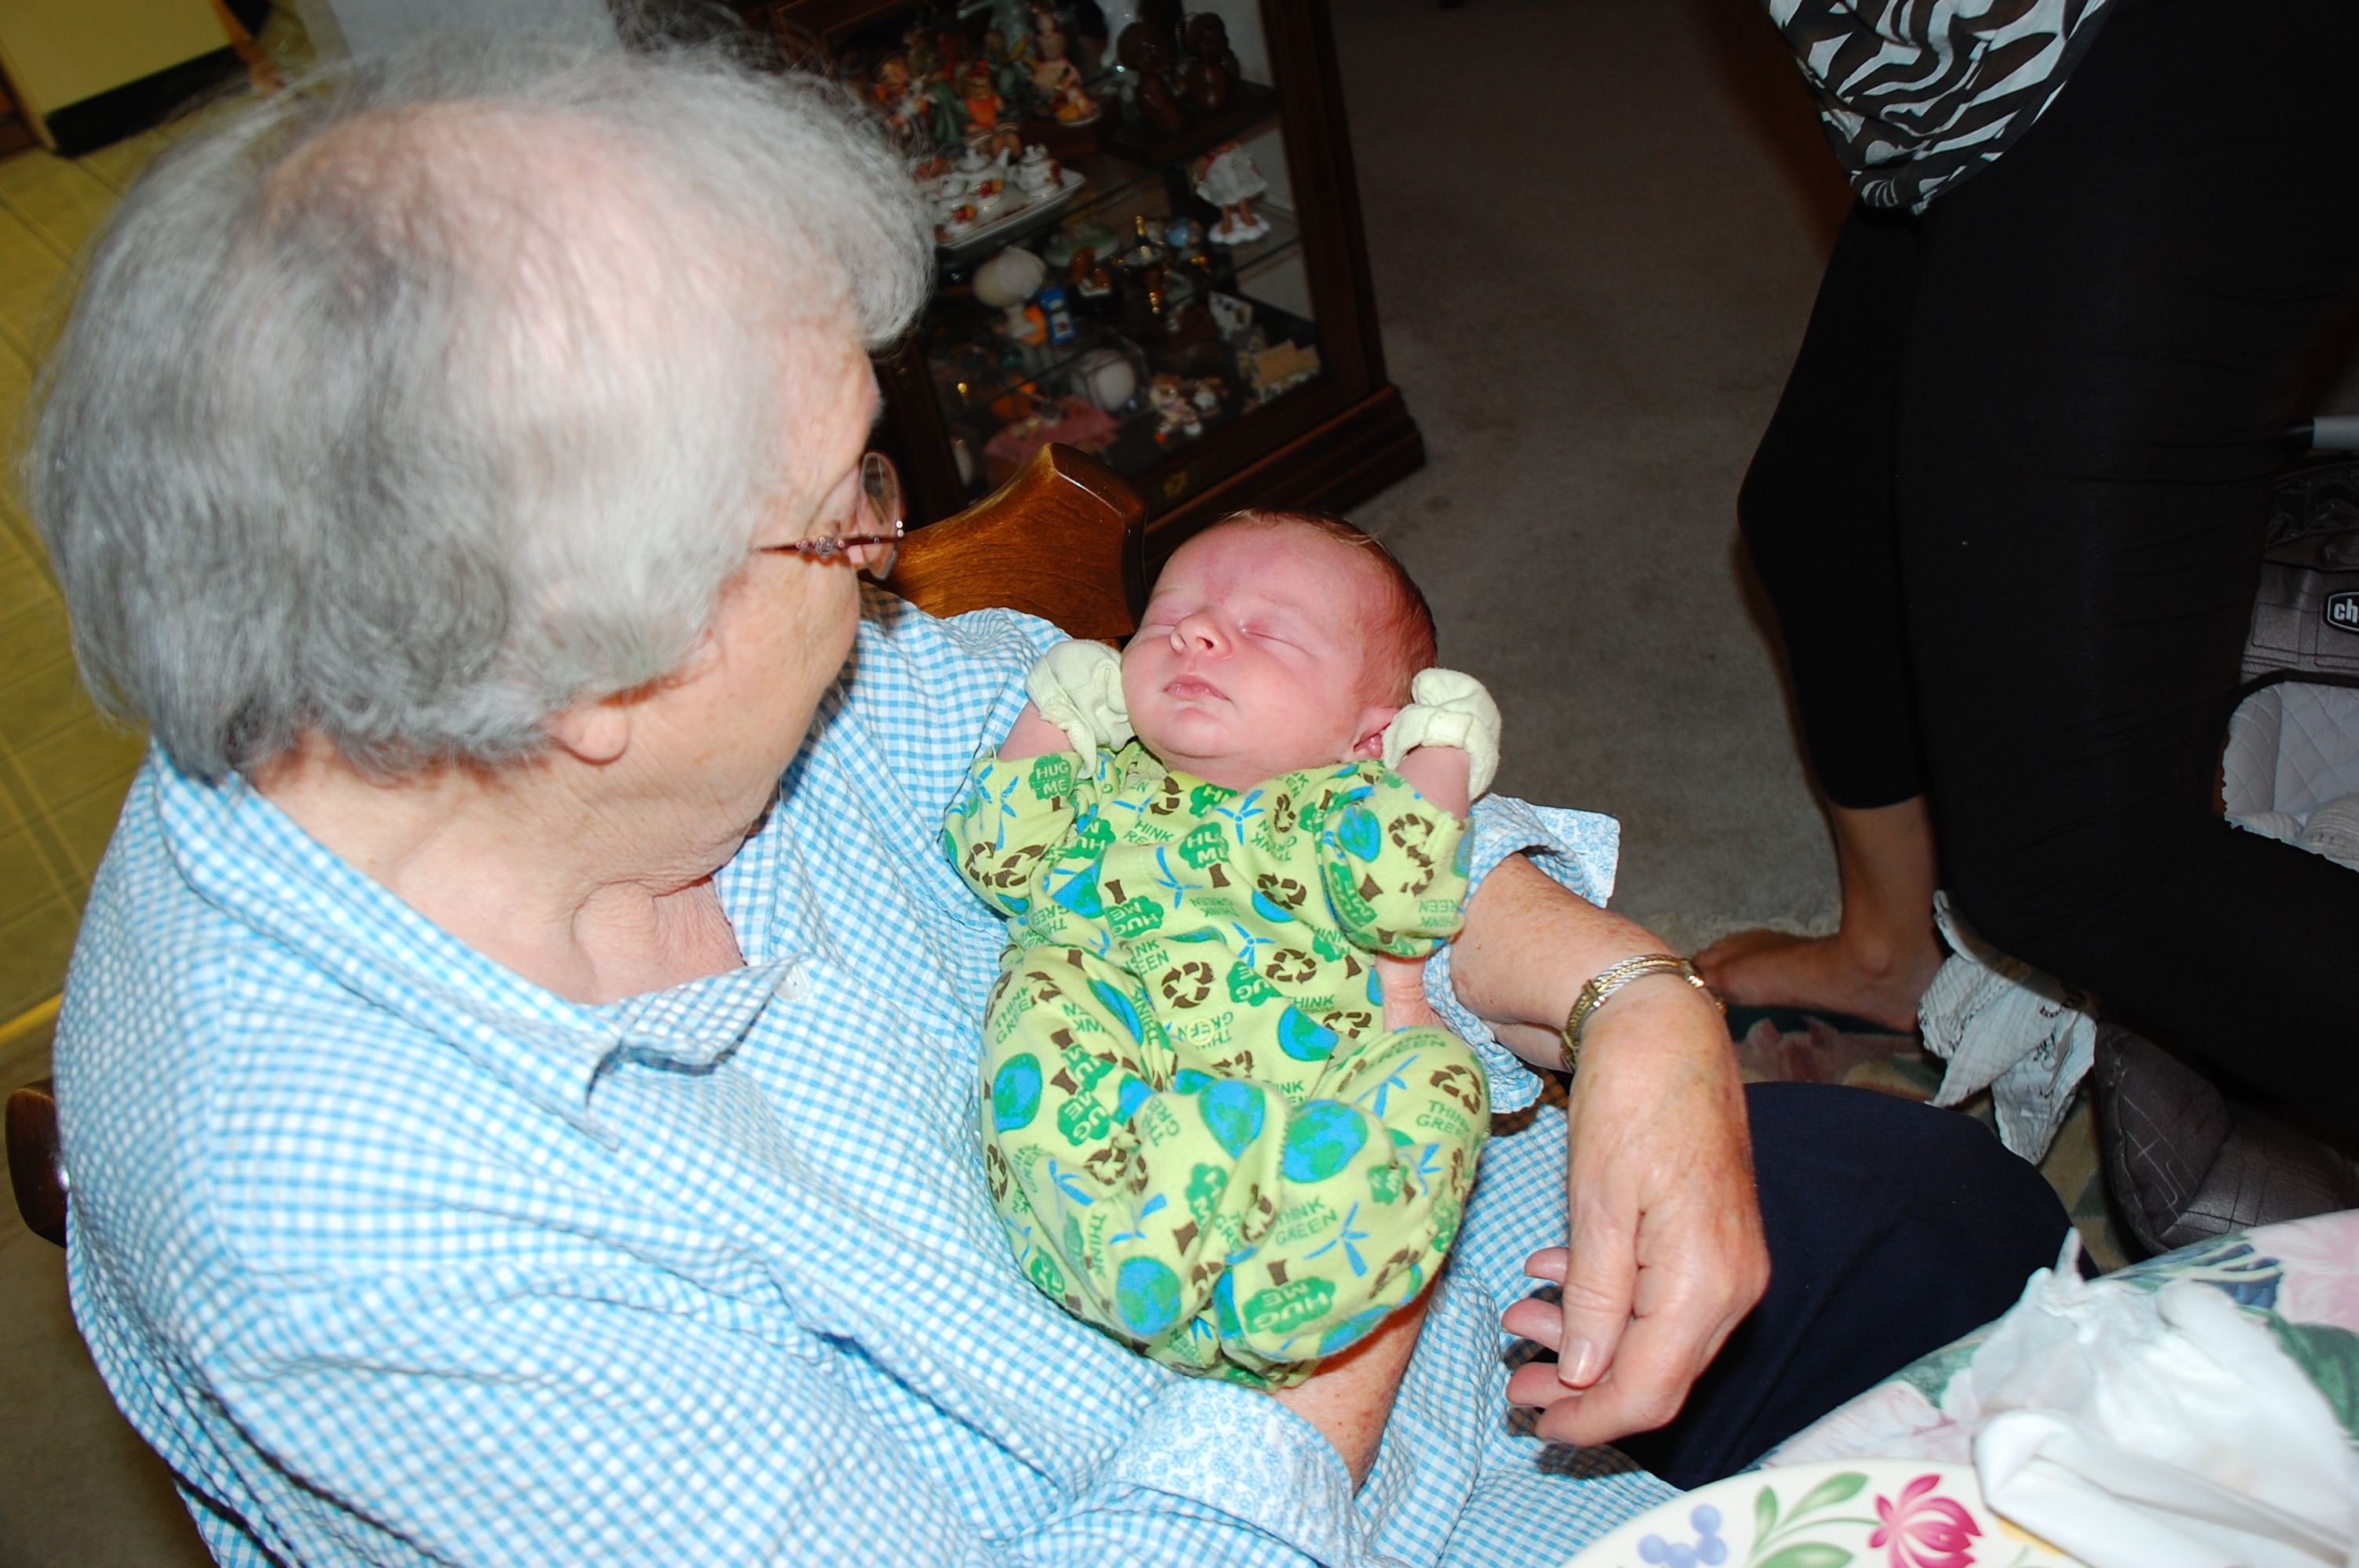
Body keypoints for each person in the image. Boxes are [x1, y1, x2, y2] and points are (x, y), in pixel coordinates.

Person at [33, 39, 2069, 1566]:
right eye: (847, 514)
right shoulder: (370, 1249)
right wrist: (1371, 1233)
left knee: (1967, 1220)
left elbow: (1209, 788)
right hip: (1336, 1469)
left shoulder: (605, 689)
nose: (893, 558)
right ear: (585, 676)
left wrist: (1631, 1004)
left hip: (1454, 1256)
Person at [1697, 0, 2359, 1187]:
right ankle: (1890, 956)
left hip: (2156, 37)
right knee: (1826, 510)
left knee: (2076, 862)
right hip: (1965, 79)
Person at [951, 511, 1497, 1386]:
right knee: (1043, 991)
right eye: (1166, 618)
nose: (1194, 632)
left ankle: (1299, 1278)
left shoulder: (1345, 810)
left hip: (1300, 1124)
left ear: (1369, 735)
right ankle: (1129, 1239)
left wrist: (1440, 753)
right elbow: (997, 856)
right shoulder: (1110, 784)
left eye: (1267, 632)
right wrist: (1059, 716)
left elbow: (1404, 901)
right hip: (1119, 1099)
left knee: (1441, 1071)